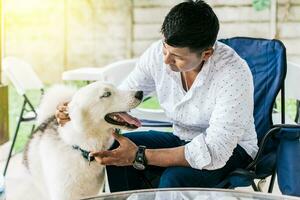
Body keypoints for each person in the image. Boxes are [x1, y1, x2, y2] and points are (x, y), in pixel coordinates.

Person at [56, 0, 258, 192]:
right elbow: (124, 97)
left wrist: (140, 155)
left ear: (206, 54)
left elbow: (216, 152)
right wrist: (78, 110)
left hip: (232, 151)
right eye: (165, 49)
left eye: (177, 57)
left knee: (174, 178)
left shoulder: (233, 74)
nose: (166, 61)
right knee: (115, 150)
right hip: (183, 138)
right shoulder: (157, 55)